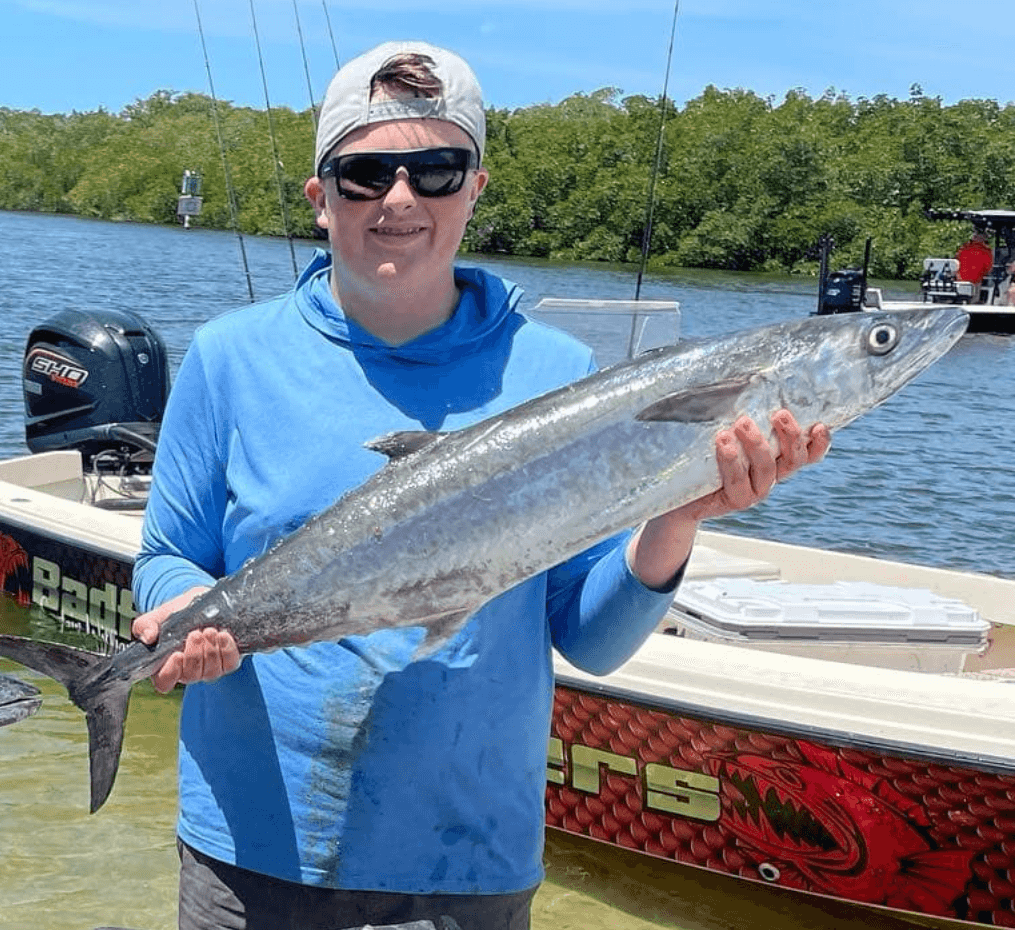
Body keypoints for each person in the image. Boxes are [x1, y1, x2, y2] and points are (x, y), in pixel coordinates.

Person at [129, 40, 831, 930]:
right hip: (253, 848)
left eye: (435, 170)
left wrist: (679, 512)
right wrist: (185, 605)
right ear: (319, 198)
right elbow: (166, 555)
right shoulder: (232, 356)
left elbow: (591, 639)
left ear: (475, 189)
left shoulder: (565, 375)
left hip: (468, 861)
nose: (399, 198)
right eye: (364, 173)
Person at [957, 230, 993, 302]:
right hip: (976, 282)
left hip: (960, 280)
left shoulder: (964, 248)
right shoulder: (986, 251)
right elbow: (988, 268)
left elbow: (957, 261)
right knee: (974, 300)